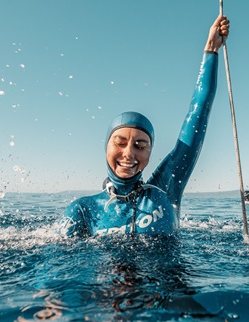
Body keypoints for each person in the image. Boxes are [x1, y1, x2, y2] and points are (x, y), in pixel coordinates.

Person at [59, 15, 230, 237]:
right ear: (106, 146)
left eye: (140, 145)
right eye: (120, 143)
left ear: (150, 151)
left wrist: (211, 49)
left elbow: (198, 112)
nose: (128, 154)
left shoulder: (165, 190)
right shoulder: (82, 211)